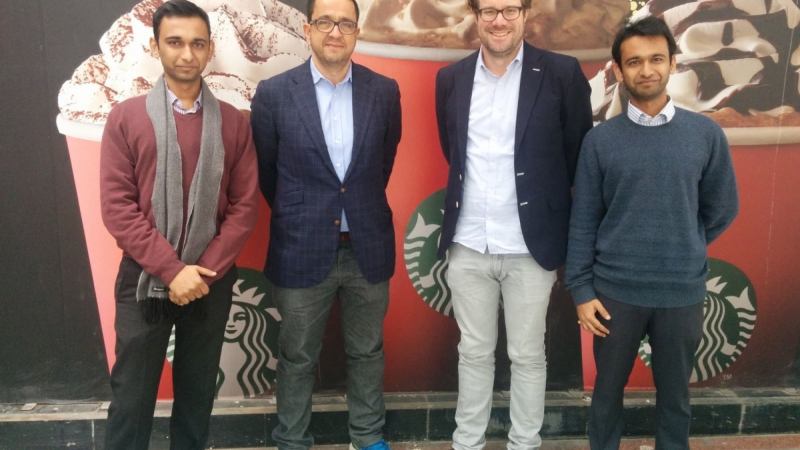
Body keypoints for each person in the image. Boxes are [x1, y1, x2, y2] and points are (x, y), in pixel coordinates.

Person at [565, 16, 739, 450]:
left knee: (676, 399)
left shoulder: (705, 134)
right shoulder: (600, 141)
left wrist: (685, 243)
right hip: (613, 295)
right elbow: (583, 219)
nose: (647, 70)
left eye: (657, 59)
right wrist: (581, 290)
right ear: (618, 70)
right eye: (634, 61)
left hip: (680, 293)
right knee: (606, 397)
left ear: (673, 64)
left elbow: (721, 208)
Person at [99, 0, 259, 447]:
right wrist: (172, 271)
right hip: (145, 280)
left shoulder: (233, 123)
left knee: (196, 394)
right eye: (175, 42)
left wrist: (201, 274)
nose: (187, 54)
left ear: (210, 50)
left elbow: (244, 206)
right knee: (131, 397)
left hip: (210, 279)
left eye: (197, 44)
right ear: (156, 47)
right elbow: (117, 207)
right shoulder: (126, 118)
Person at [434, 0, 592, 446]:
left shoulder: (561, 73)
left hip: (531, 246)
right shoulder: (451, 79)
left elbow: (577, 153)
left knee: (527, 355)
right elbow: (453, 150)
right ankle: (467, 442)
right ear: (475, 15)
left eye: (509, 9)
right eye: (488, 10)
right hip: (468, 243)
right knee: (473, 353)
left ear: (525, 13)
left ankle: (525, 443)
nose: (498, 20)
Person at [249, 0, 401, 446]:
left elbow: (382, 163)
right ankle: (292, 440)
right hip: (300, 245)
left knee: (367, 351)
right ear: (307, 28)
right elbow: (267, 172)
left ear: (358, 31)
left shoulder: (384, 91)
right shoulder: (275, 94)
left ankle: (367, 437)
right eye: (326, 22)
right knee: (296, 356)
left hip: (366, 246)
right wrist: (306, 213)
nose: (336, 32)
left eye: (346, 23)